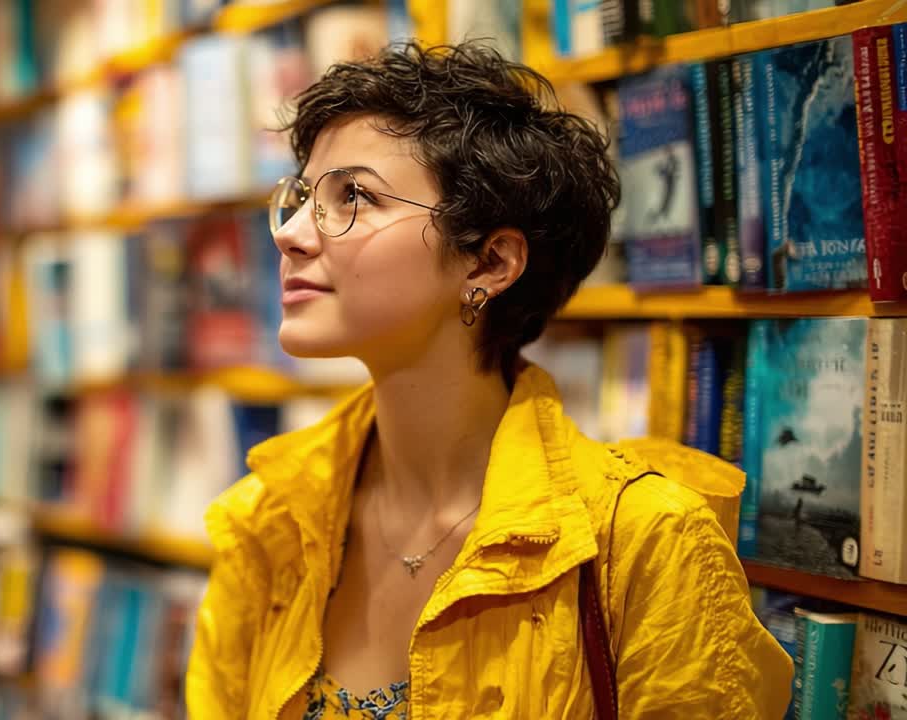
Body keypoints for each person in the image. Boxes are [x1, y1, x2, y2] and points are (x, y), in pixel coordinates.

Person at [185, 41, 792, 719]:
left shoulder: (645, 543)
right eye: (300, 198)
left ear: (491, 263)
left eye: (352, 195)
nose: (291, 234)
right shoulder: (270, 521)